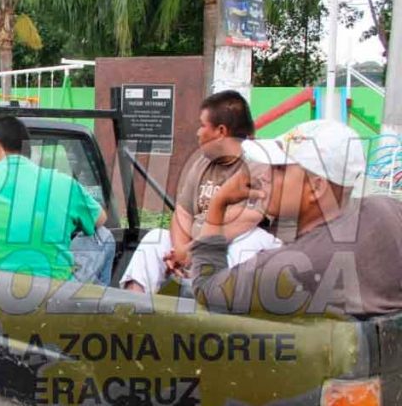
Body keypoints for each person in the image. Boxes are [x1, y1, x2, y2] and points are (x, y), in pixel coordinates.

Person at [192, 119, 402, 317]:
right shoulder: (387, 210)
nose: (264, 175)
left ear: (316, 188)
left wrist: (217, 207)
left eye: (280, 169)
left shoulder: (288, 267)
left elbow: (205, 287)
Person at [120, 90, 281, 293]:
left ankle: (219, 317)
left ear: (221, 131)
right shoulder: (202, 163)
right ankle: (132, 312)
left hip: (230, 244)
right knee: (155, 239)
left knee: (250, 241)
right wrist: (180, 250)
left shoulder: (259, 163)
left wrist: (192, 251)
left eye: (202, 125)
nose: (198, 132)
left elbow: (242, 222)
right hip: (194, 246)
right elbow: (183, 211)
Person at [0, 116, 111, 282]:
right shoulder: (63, 183)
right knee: (104, 236)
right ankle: (97, 304)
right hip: (51, 293)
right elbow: (101, 219)